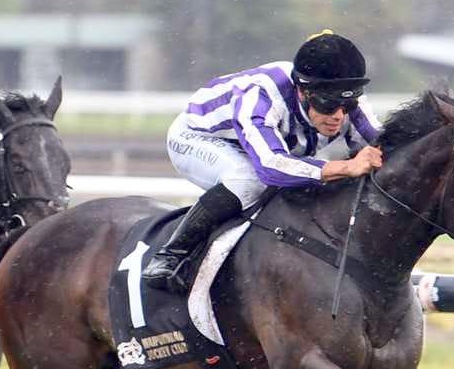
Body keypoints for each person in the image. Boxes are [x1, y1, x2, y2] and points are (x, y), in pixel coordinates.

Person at [141, 30, 384, 293]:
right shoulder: (262, 95)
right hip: (199, 137)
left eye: (347, 106)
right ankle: (170, 255)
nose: (339, 116)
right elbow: (271, 166)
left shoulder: (342, 99)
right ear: (302, 92)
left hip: (265, 145)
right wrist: (347, 167)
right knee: (249, 179)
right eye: (329, 105)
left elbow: (385, 144)